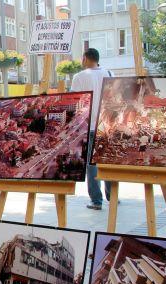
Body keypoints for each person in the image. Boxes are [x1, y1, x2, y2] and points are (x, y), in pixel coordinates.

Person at [70, 48, 113, 210]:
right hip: (107, 126)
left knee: (91, 164)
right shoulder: (109, 73)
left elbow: (75, 102)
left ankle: (96, 201)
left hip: (88, 125)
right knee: (108, 162)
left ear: (86, 58)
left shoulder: (79, 77)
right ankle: (113, 196)